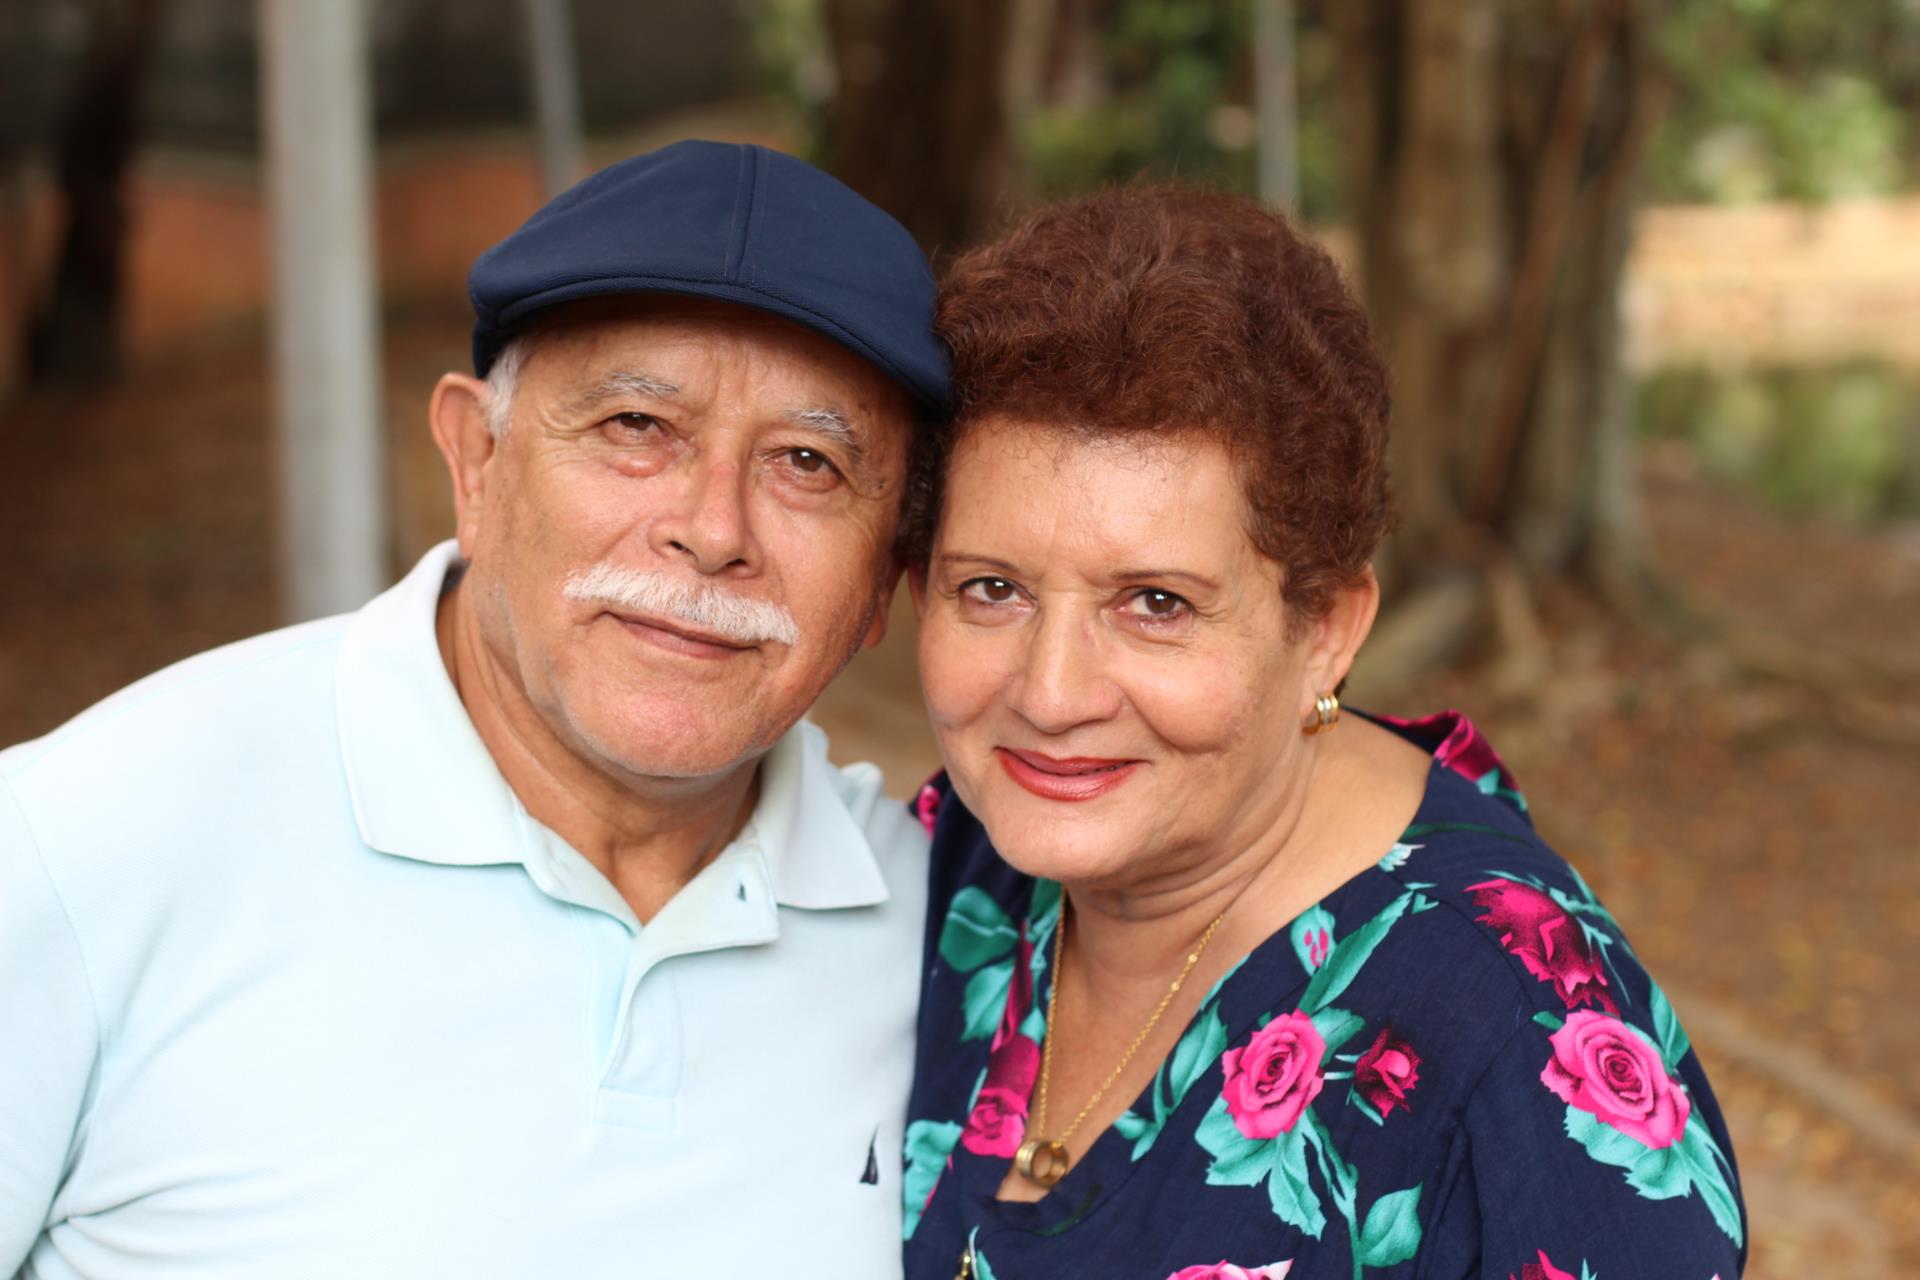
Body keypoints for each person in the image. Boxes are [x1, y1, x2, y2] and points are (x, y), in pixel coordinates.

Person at [0, 140, 947, 1277]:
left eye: (806, 462)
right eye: (635, 428)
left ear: (888, 578)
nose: (713, 528)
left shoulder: (946, 943)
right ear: (478, 459)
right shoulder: (83, 840)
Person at [899, 186, 1745, 1279]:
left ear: (1327, 630)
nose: (1052, 694)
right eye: (994, 588)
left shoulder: (1515, 1040)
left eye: (1155, 602)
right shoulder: (955, 861)